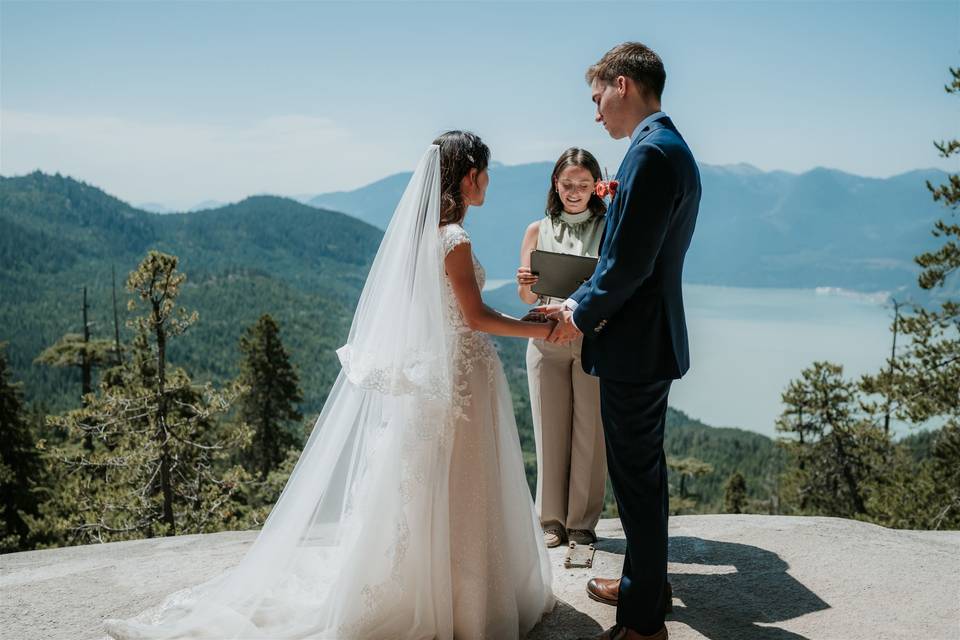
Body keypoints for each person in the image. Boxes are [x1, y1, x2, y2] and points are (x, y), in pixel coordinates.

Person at [104, 131, 556, 640]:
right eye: (485, 172)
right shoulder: (454, 240)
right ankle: (466, 598)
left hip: (441, 374)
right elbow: (474, 316)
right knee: (464, 478)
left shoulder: (420, 236)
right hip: (459, 375)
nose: (490, 182)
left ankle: (438, 588)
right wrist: (539, 326)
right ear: (469, 175)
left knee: (435, 481)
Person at [538, 42, 702, 640]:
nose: (596, 112)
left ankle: (640, 625)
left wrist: (576, 312)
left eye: (597, 97)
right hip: (650, 336)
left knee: (636, 479)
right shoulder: (664, 147)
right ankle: (646, 584)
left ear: (623, 84)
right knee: (643, 474)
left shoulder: (651, 155)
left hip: (636, 342)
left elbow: (629, 267)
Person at [516, 148, 607, 549]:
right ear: (556, 184)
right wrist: (524, 280)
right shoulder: (536, 229)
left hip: (594, 337)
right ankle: (551, 520)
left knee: (591, 430)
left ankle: (583, 523)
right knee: (548, 430)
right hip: (547, 339)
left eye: (583, 185)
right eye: (567, 184)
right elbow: (525, 296)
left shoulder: (609, 226)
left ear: (595, 187)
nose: (574, 192)